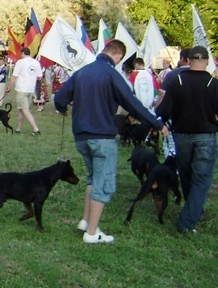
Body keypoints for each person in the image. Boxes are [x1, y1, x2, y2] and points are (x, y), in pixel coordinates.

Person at [54, 40, 168, 243]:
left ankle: (85, 221)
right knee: (103, 182)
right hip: (102, 137)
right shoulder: (112, 74)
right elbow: (132, 104)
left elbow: (60, 98)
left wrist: (63, 108)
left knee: (92, 177)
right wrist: (157, 124)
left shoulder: (81, 72)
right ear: (118, 57)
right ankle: (92, 233)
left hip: (81, 136)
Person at [156, 46, 218, 233]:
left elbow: (163, 110)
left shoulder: (177, 81)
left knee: (186, 175)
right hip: (205, 137)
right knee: (201, 179)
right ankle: (187, 220)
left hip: (182, 135)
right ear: (207, 62)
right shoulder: (215, 85)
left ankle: (193, 211)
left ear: (188, 60)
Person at [6, 48, 42, 135]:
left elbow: (14, 77)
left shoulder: (20, 62)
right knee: (22, 110)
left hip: (22, 89)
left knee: (25, 110)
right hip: (30, 89)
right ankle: (18, 129)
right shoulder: (36, 62)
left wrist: (8, 88)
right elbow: (39, 77)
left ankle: (36, 129)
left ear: (22, 53)